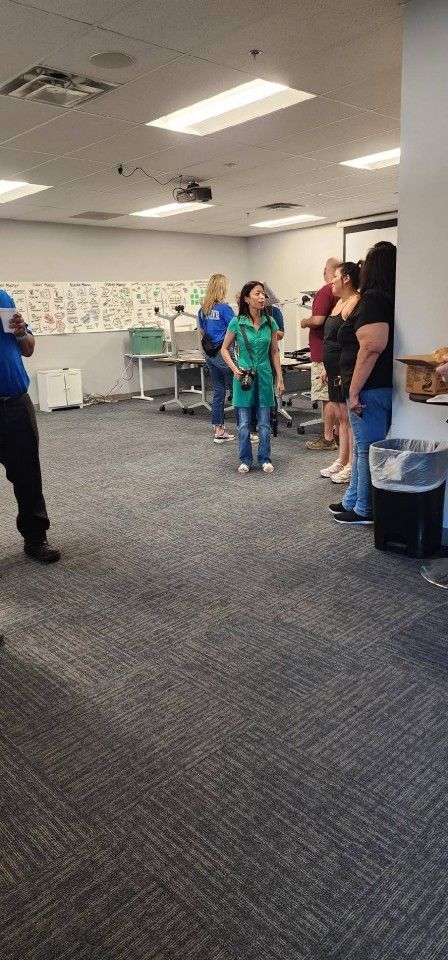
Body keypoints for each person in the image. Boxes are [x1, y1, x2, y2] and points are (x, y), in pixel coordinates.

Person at [329, 241, 396, 525]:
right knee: (361, 448)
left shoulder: (373, 301)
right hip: (369, 386)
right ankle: (353, 500)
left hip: (369, 390)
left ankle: (364, 509)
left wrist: (354, 391)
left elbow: (371, 347)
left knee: (367, 449)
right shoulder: (380, 299)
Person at [0, 287, 60, 562]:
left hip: (15, 403)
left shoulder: (2, 297)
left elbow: (28, 348)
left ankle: (36, 539)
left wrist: (22, 332)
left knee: (28, 478)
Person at [221, 281, 284, 474]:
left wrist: (279, 378)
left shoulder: (270, 322)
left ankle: (264, 458)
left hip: (264, 376)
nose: (262, 297)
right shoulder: (236, 322)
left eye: (263, 293)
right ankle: (245, 459)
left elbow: (274, 352)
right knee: (244, 424)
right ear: (247, 299)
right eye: (257, 294)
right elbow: (224, 349)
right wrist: (234, 368)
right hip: (243, 378)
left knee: (265, 423)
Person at [320, 262, 361, 484]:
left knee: (348, 419)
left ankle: (351, 465)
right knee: (341, 418)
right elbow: (331, 340)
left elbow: (350, 342)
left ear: (346, 278)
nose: (331, 280)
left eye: (335, 276)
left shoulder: (355, 302)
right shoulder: (338, 303)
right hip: (334, 369)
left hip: (344, 371)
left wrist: (343, 371)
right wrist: (328, 369)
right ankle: (342, 459)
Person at [300, 256, 340, 451]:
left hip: (323, 353)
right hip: (336, 351)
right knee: (336, 395)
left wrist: (303, 322)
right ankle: (338, 434)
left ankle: (327, 437)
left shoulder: (326, 290)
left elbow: (317, 320)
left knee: (328, 396)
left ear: (329, 271)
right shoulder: (344, 294)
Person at [198, 274, 235, 444]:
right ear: (222, 288)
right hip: (223, 353)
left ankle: (219, 429)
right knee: (239, 390)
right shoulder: (225, 309)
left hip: (210, 354)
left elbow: (203, 333)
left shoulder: (203, 310)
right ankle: (246, 430)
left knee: (219, 391)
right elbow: (236, 330)